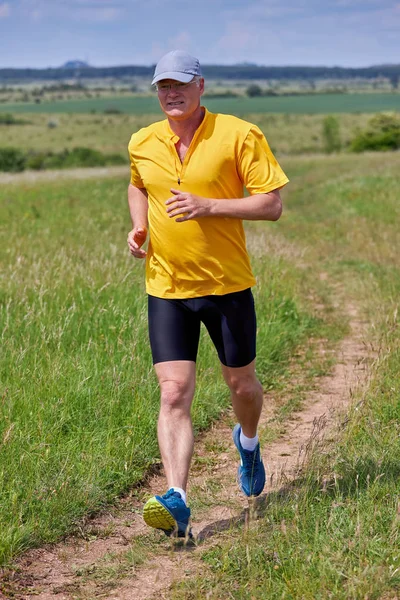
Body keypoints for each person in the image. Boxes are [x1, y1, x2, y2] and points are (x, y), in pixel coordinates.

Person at [127, 50, 289, 538]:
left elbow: (272, 204)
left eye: (179, 84)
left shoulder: (239, 134)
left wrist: (208, 205)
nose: (170, 93)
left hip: (227, 286)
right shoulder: (142, 141)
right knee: (173, 391)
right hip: (167, 286)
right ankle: (177, 498)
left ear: (201, 86)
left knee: (242, 386)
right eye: (162, 86)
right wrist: (139, 227)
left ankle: (250, 439)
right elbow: (138, 184)